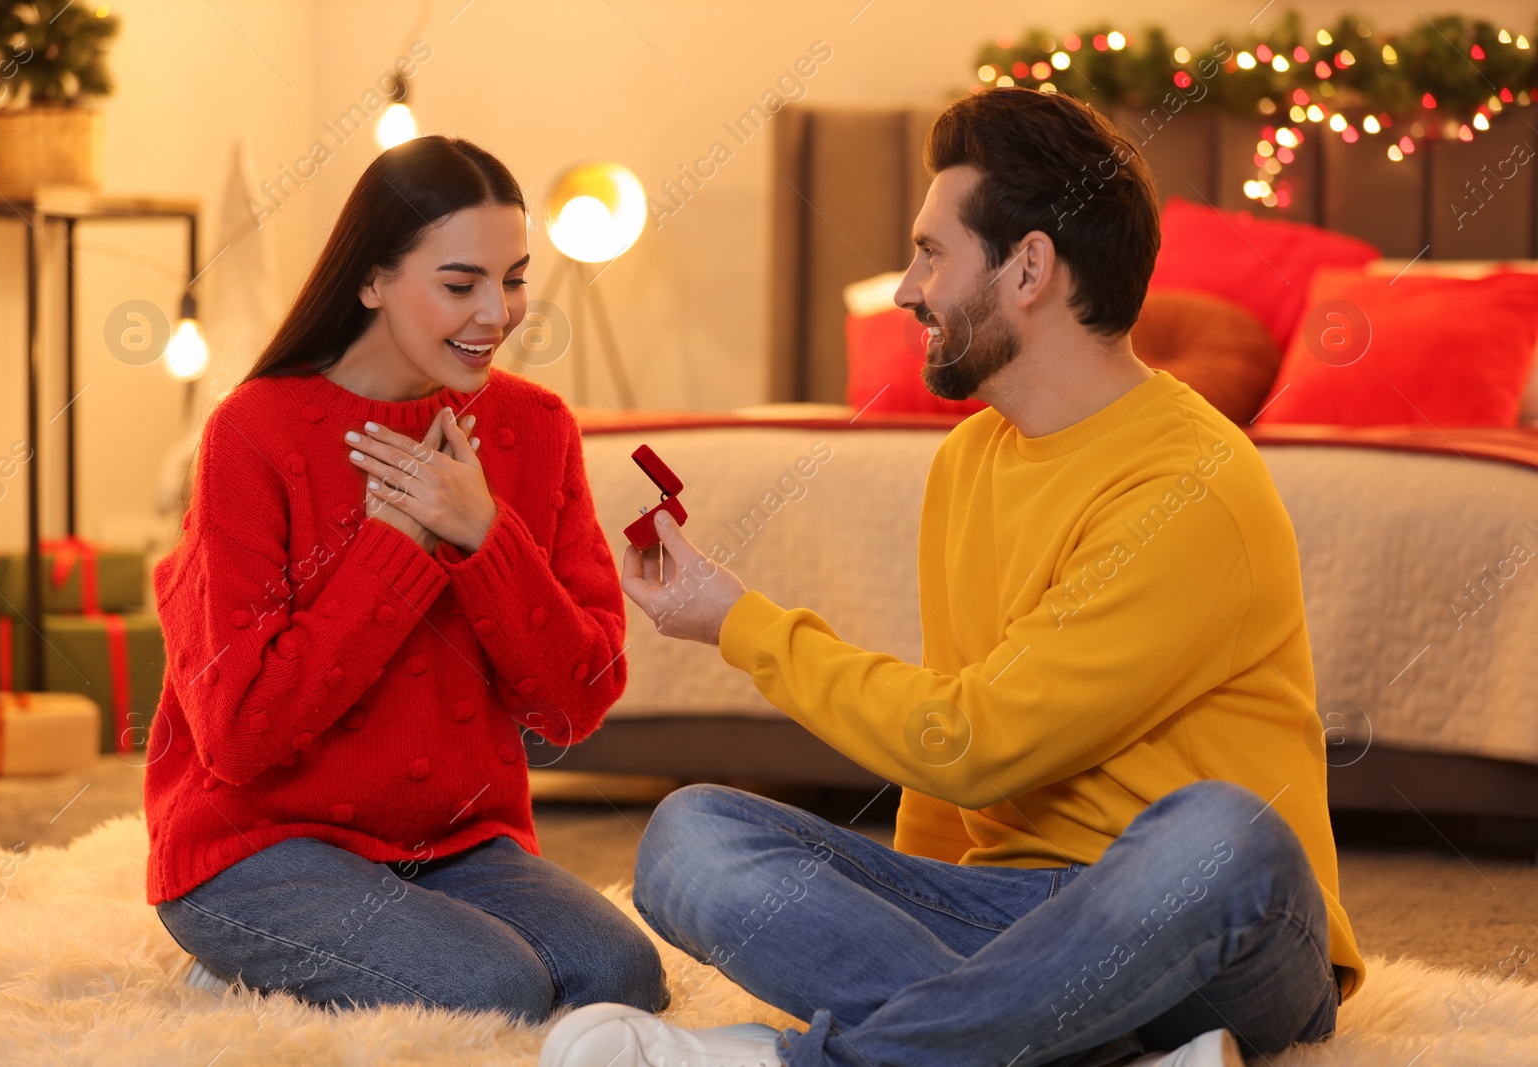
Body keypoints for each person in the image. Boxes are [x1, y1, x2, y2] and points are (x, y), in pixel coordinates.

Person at [541, 88, 1363, 1067]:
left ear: (1028, 267)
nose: (903, 288)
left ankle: (799, 1061)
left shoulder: (1191, 485)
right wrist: (913, 887)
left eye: (931, 252)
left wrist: (740, 622)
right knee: (690, 838)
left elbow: (976, 739)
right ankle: (1068, 1045)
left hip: (1210, 935)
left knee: (1226, 835)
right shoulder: (968, 462)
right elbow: (939, 785)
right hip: (1007, 918)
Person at [145, 135, 667, 1022]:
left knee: (619, 975)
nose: (497, 314)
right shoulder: (252, 432)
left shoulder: (535, 429)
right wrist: (393, 548)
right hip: (259, 842)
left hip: (453, 838)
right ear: (372, 279)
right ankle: (247, 967)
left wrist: (484, 535)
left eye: (514, 278)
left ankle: (361, 951)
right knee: (492, 990)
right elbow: (237, 733)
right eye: (460, 284)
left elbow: (574, 700)